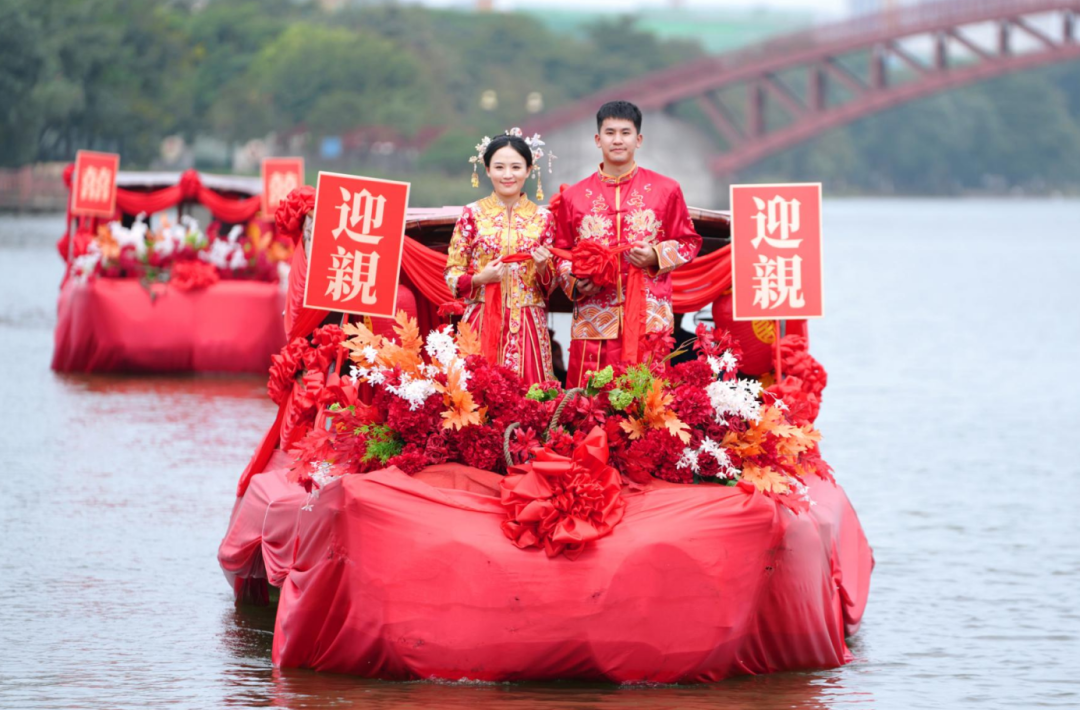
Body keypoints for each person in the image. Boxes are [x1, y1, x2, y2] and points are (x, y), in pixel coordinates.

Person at [553, 100, 701, 388]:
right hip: (594, 319)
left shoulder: (666, 189)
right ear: (598, 140)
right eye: (609, 133)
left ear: (639, 139)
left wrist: (655, 255)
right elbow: (561, 253)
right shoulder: (575, 197)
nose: (617, 140)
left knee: (646, 407)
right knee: (590, 402)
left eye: (625, 132)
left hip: (648, 319)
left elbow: (689, 242)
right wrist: (575, 280)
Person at [445, 130, 557, 386]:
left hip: (528, 324)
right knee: (475, 398)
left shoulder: (544, 219)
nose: (508, 175)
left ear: (529, 170)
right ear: (487, 170)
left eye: (516, 167)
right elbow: (451, 273)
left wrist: (542, 268)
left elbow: (550, 286)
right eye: (500, 167)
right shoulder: (471, 214)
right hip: (480, 319)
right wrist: (479, 279)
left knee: (530, 400)